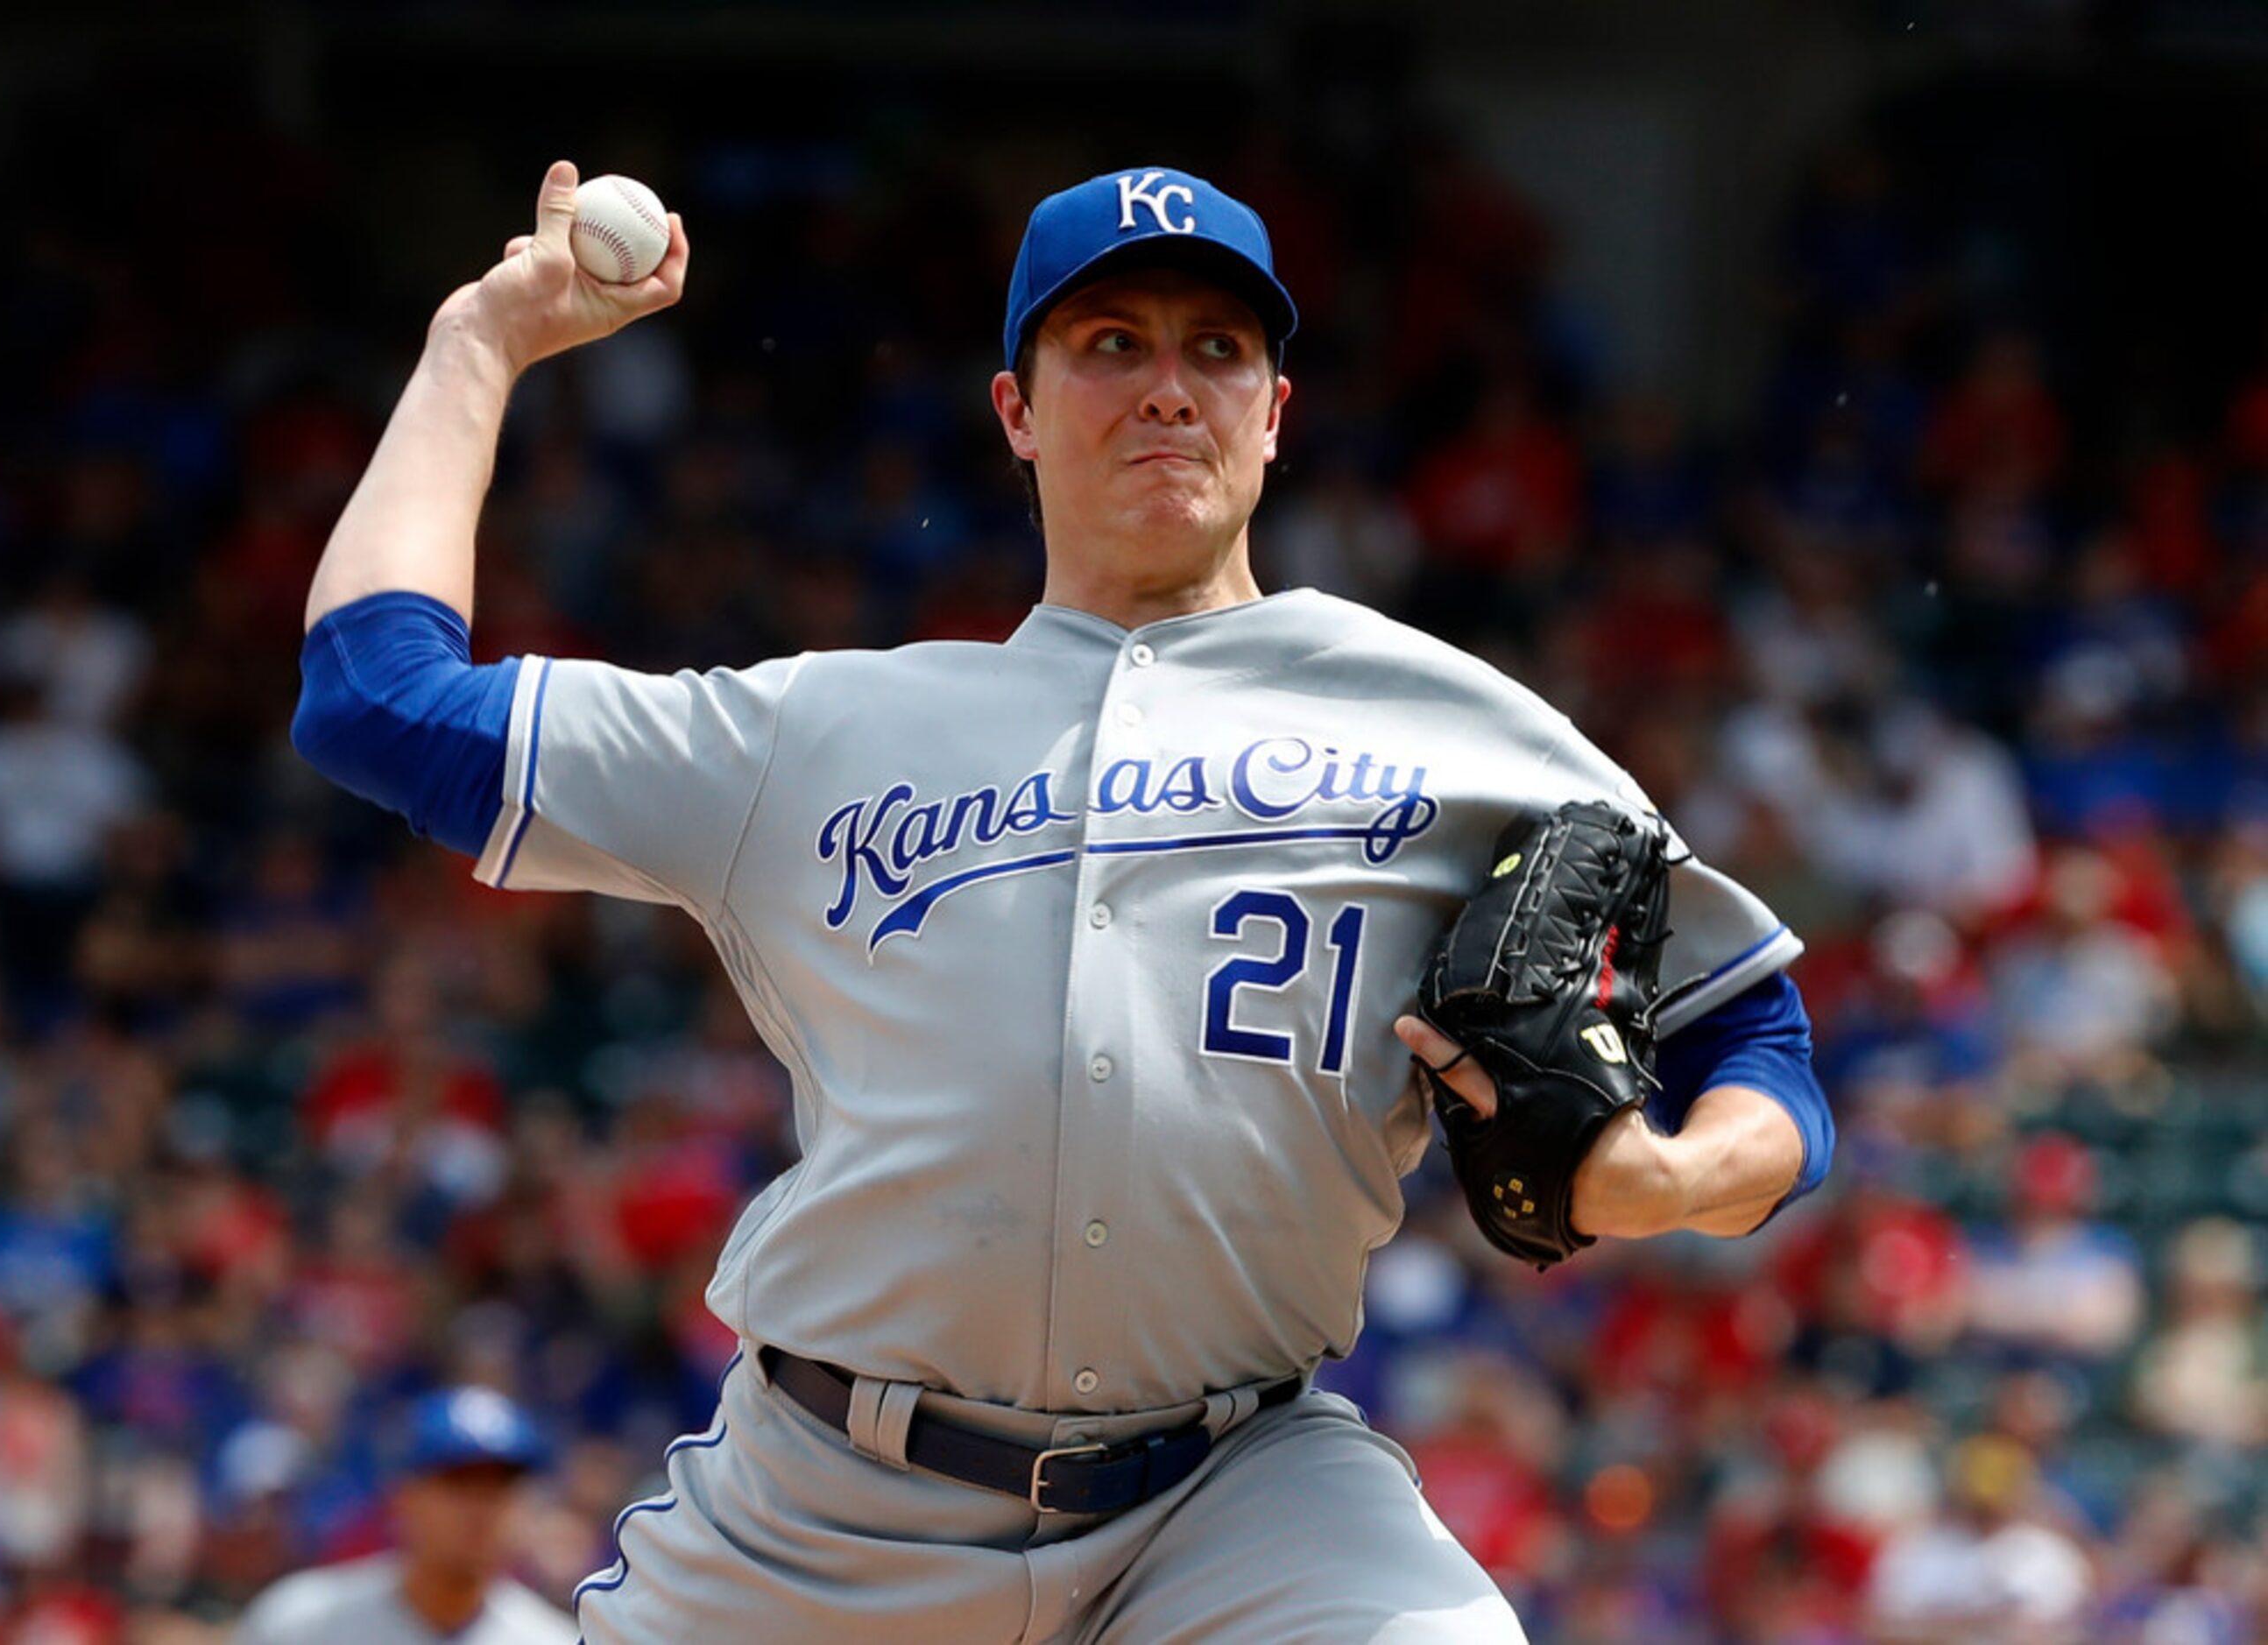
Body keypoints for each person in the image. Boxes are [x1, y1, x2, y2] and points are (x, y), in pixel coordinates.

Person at [292, 160, 1833, 1642]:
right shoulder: (818, 732)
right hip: (832, 1508)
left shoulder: (1449, 722)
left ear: (1275, 414)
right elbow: (376, 700)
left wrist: (1684, 1177)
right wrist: (477, 342)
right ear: (1016, 413)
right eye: (1110, 344)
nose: (1169, 386)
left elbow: (1752, 1023)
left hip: (1236, 1491)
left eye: (1216, 348)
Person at [230, 1386, 573, 1645]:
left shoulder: (552, 1639)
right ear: (403, 1497)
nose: (479, 1508)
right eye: (458, 1484)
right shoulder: (299, 1621)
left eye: (498, 1489)